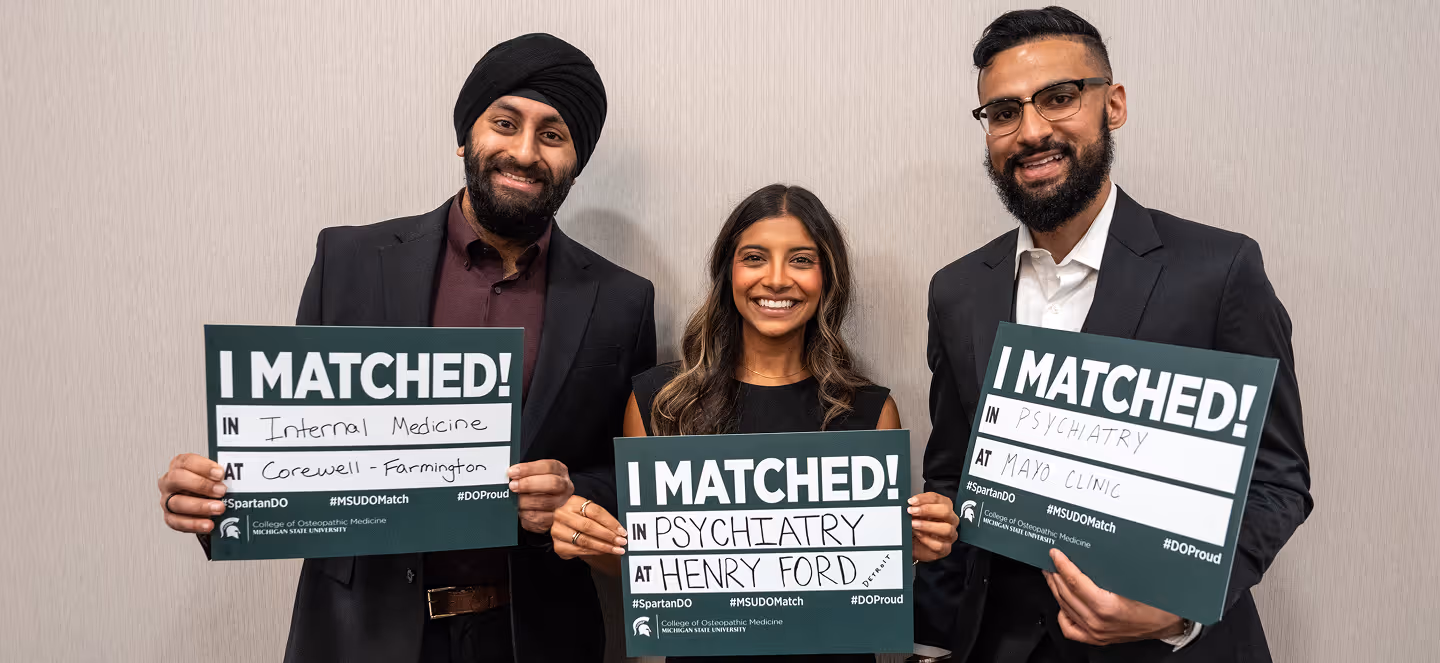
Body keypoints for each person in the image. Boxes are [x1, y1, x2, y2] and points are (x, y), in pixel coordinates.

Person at [155, 33, 656, 662]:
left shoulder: (622, 299)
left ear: (575, 161)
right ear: (465, 135)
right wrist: (216, 500)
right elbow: (295, 443)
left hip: (535, 634)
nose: (525, 152)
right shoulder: (351, 261)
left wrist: (572, 491)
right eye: (505, 123)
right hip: (358, 632)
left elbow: (636, 480)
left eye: (552, 135)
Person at [911, 7, 1311, 663]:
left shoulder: (1219, 272)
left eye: (1059, 98)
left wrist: (1177, 608)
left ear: (1113, 103)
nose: (1032, 130)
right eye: (1004, 112)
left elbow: (1277, 483)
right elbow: (955, 475)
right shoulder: (956, 291)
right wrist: (937, 523)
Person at [549, 184, 961, 662]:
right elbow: (644, 572)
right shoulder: (660, 403)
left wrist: (918, 546)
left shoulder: (870, 413)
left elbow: (873, 574)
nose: (778, 279)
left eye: (802, 260)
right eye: (755, 258)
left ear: (828, 278)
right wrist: (583, 538)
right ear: (728, 272)